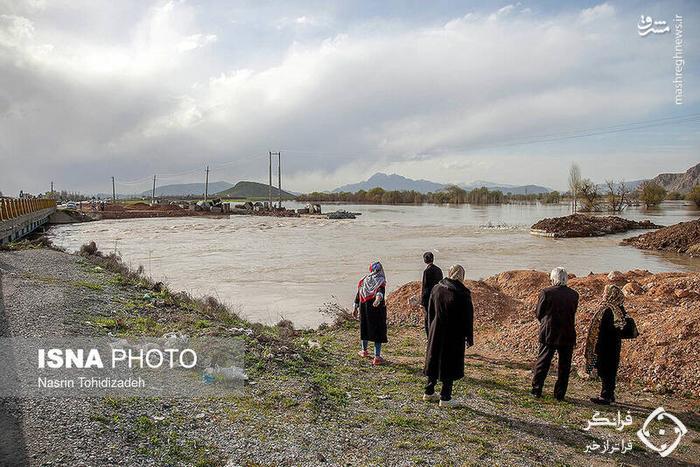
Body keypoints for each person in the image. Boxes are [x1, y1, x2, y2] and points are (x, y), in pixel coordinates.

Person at [423, 264, 474, 408]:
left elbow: (430, 311)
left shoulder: (437, 288)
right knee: (449, 362)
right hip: (453, 333)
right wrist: (468, 336)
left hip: (436, 328)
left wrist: (430, 329)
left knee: (433, 357)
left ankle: (429, 391)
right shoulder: (463, 294)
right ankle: (445, 397)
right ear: (462, 276)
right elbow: (468, 318)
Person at [531, 267, 579, 401]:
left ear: (553, 278)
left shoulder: (546, 292)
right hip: (567, 332)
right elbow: (573, 311)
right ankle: (560, 394)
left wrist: (545, 322)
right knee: (564, 365)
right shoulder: (574, 294)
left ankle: (536, 389)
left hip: (549, 332)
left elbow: (539, 313)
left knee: (543, 362)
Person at [584, 285, 627, 405]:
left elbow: (601, 329)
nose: (604, 295)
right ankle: (610, 394)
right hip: (615, 345)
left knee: (605, 369)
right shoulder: (620, 309)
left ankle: (605, 396)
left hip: (604, 344)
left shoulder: (608, 310)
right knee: (611, 370)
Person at [353, 261, 388, 366]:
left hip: (364, 309)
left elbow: (358, 294)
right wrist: (377, 299)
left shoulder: (364, 280)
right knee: (378, 331)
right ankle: (377, 357)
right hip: (376, 310)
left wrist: (355, 308)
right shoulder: (380, 280)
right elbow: (380, 292)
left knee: (365, 328)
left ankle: (364, 351)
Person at [420, 251, 443, 336]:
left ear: (425, 260)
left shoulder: (427, 271)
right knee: (436, 316)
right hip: (438, 296)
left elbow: (425, 287)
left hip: (428, 297)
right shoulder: (439, 270)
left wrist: (422, 301)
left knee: (428, 318)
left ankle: (430, 335)